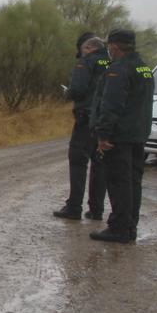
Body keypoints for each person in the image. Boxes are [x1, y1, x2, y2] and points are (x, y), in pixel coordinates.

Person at [89, 28, 155, 244]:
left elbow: (111, 104)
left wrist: (103, 134)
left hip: (120, 136)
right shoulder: (144, 68)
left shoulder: (119, 70)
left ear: (114, 47)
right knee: (133, 182)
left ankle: (118, 227)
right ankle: (129, 227)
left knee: (119, 182)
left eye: (109, 46)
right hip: (138, 135)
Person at [53, 34, 110, 221]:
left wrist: (67, 92)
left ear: (87, 48)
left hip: (86, 117)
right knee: (99, 163)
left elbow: (77, 89)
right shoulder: (112, 63)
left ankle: (74, 207)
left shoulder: (85, 63)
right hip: (105, 120)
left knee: (78, 160)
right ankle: (96, 209)